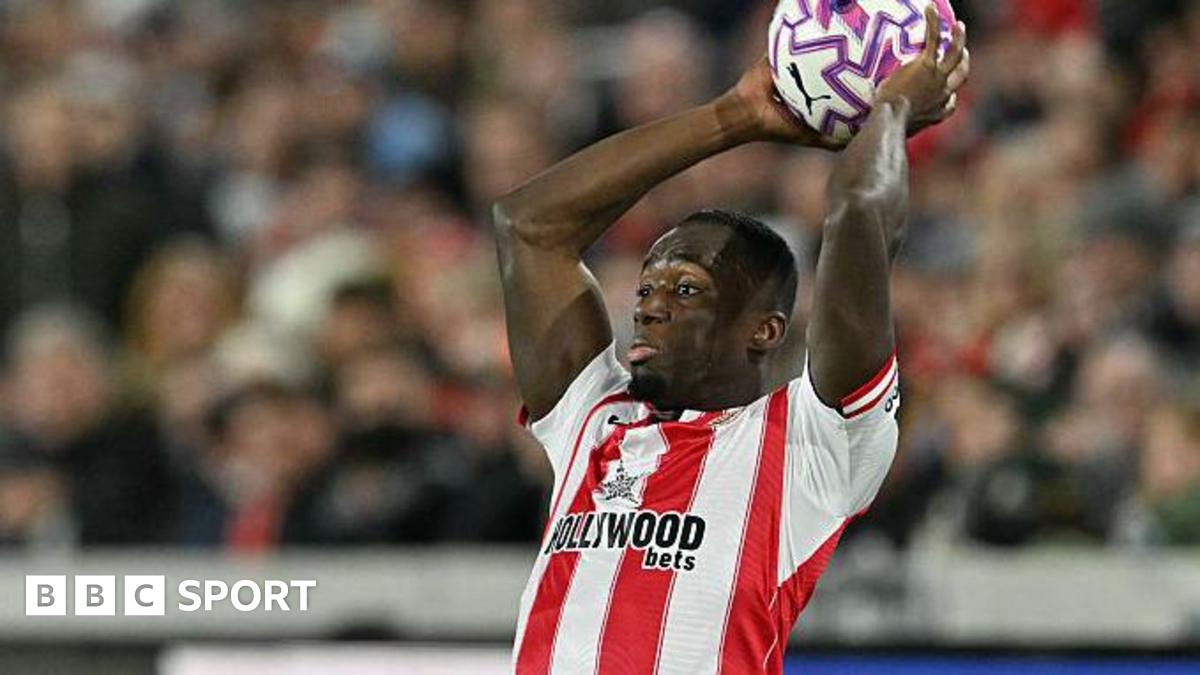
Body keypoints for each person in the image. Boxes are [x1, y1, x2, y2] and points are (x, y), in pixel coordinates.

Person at [493, 8, 968, 675]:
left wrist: (890, 106)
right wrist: (731, 117)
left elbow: (858, 212)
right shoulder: (593, 420)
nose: (650, 309)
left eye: (686, 290)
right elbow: (526, 227)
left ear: (765, 329)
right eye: (647, 290)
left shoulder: (811, 445)